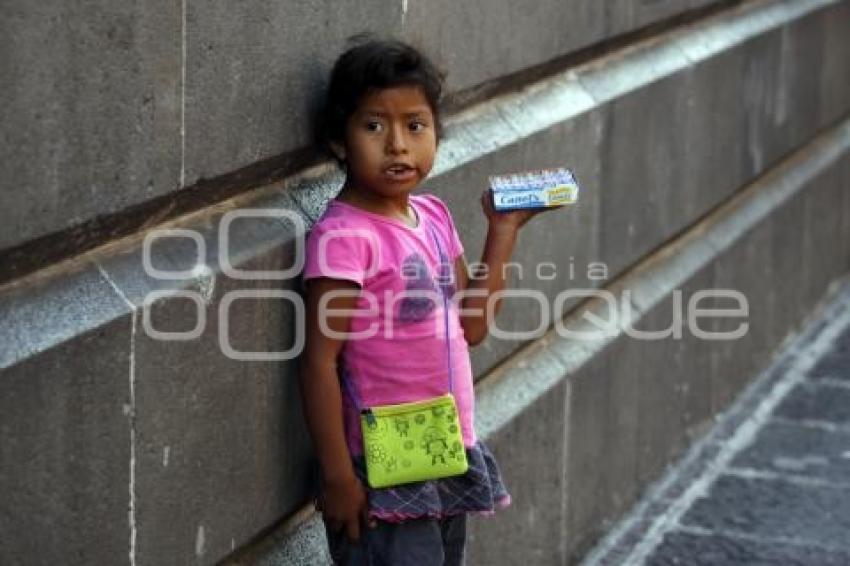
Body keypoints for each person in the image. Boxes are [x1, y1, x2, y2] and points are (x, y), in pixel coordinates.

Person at [300, 36, 551, 565]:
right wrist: (338, 476)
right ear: (340, 141)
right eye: (374, 126)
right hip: (379, 466)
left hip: (441, 450)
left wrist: (502, 233)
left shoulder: (433, 215)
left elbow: (471, 329)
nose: (398, 146)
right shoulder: (346, 236)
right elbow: (319, 362)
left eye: (415, 125)